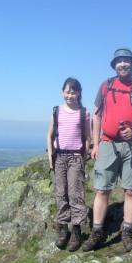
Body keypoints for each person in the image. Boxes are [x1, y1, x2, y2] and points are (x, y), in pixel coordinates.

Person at [83, 48, 132, 252]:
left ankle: (127, 231)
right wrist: (96, 144)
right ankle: (97, 232)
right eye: (119, 61)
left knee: (131, 190)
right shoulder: (106, 86)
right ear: (114, 65)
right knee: (101, 189)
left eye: (126, 61)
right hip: (107, 143)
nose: (122, 64)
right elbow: (97, 116)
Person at [46, 77, 91, 252]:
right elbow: (49, 135)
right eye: (67, 91)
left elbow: (88, 138)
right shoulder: (56, 111)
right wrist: (51, 155)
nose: (70, 95)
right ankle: (63, 230)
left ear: (79, 93)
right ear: (62, 92)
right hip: (59, 157)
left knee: (75, 194)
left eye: (73, 92)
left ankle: (77, 231)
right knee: (60, 193)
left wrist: (83, 158)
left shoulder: (84, 113)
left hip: (75, 158)